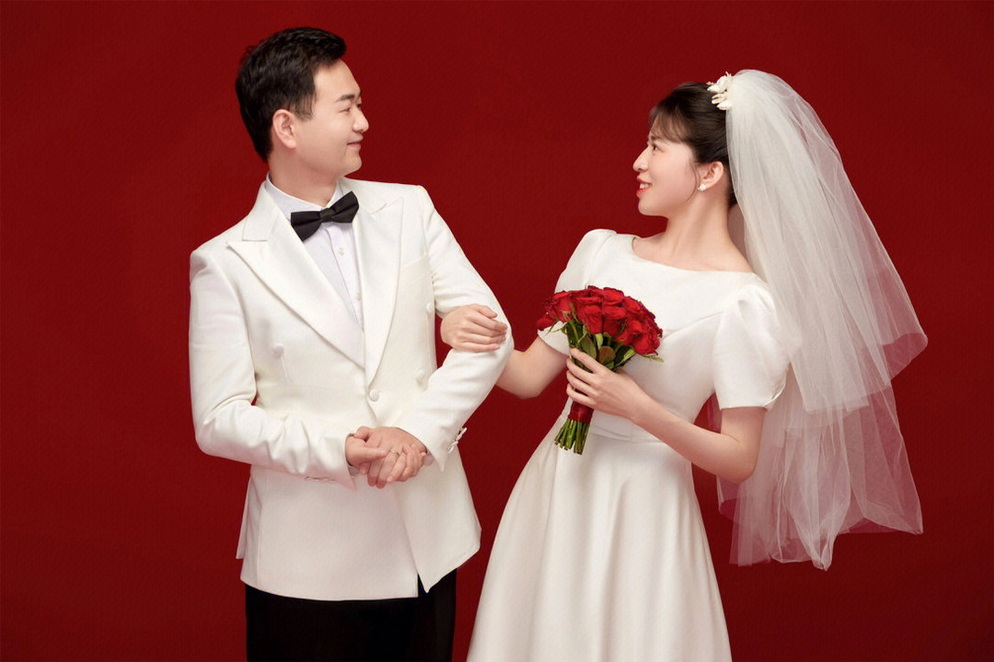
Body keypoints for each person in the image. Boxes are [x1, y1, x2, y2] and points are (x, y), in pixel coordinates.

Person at [442, 71, 926, 661]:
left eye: (656, 147)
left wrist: (639, 409)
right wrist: (470, 334)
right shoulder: (600, 249)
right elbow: (524, 377)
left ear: (709, 173)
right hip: (559, 486)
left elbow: (740, 457)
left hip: (645, 505)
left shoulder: (745, 302)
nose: (639, 162)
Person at [188, 27, 511, 661]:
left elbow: (489, 332)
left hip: (424, 544)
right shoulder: (224, 261)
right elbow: (218, 419)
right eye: (347, 107)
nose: (364, 122)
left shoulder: (410, 209)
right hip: (305, 563)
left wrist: (417, 432)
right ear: (287, 126)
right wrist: (341, 449)